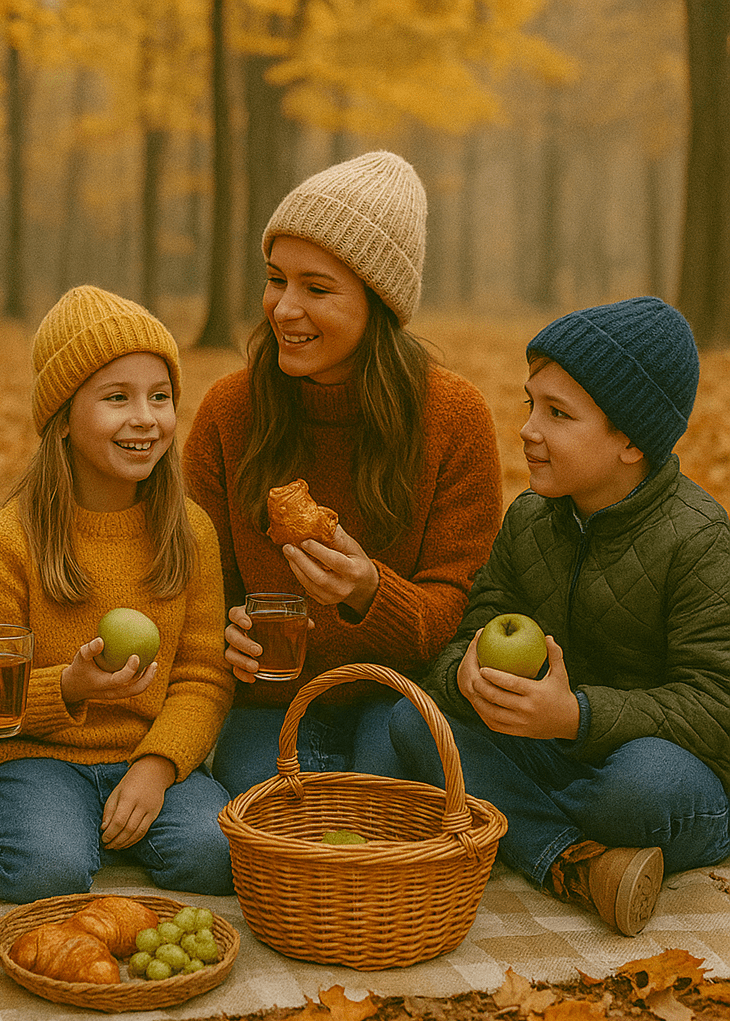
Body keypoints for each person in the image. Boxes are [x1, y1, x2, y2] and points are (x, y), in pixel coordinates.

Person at [388, 297, 730, 937]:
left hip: (664, 769)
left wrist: (577, 716)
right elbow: (469, 633)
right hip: (550, 750)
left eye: (558, 414)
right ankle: (578, 862)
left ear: (631, 440)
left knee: (637, 790)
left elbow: (716, 706)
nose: (528, 429)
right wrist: (464, 678)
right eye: (531, 405)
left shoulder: (700, 538)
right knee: (413, 721)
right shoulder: (529, 520)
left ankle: (513, 822)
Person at [182, 151, 503, 798]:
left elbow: (462, 608)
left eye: (317, 288)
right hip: (268, 701)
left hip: (398, 697)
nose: (283, 308)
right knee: (262, 809)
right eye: (276, 279)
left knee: (380, 802)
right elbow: (196, 586)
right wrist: (225, 633)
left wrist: (369, 591)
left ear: (378, 301)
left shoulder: (453, 416)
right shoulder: (229, 411)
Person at [0, 285, 235, 904]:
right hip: (36, 756)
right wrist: (69, 687)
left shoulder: (190, 532)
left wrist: (157, 767)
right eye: (117, 398)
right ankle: (29, 830)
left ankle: (109, 826)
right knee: (46, 869)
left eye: (159, 396)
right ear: (62, 419)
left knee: (218, 854)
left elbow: (203, 677)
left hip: (145, 751)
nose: (145, 418)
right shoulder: (12, 540)